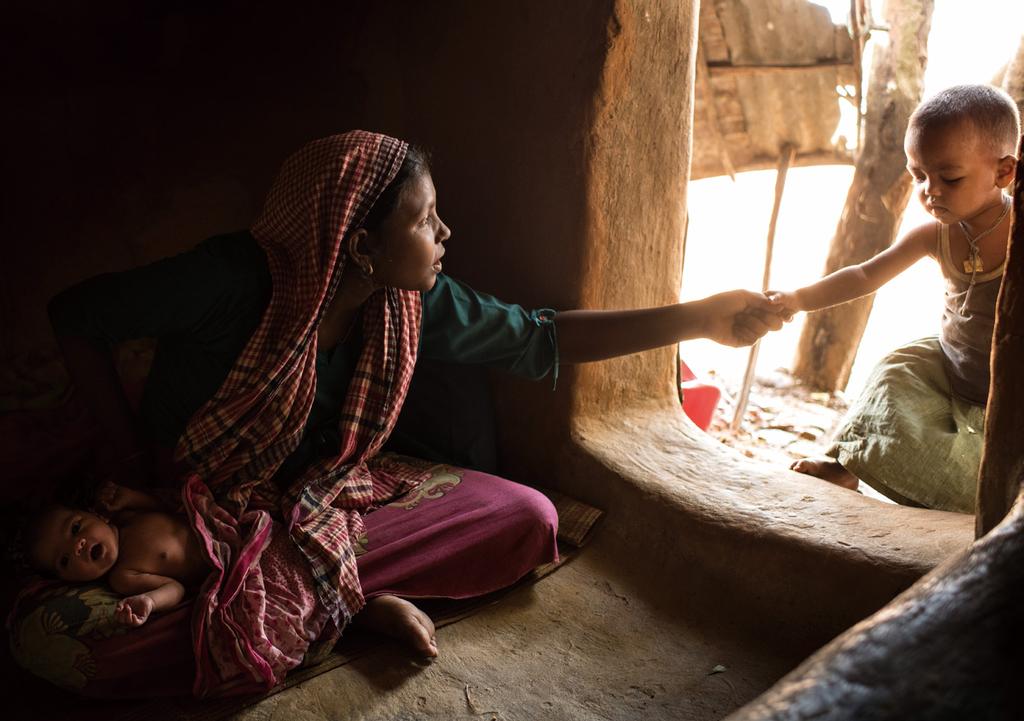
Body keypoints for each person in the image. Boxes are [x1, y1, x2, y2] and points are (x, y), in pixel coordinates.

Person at [47, 130, 785, 695]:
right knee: (79, 641)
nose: (445, 235)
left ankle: (320, 594)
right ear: (362, 244)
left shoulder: (407, 302)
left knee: (529, 518)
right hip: (193, 512)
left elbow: (539, 336)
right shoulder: (231, 280)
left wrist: (700, 317)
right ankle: (338, 599)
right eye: (427, 219)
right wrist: (128, 455)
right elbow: (76, 313)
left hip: (314, 501)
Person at [769, 84, 1020, 513]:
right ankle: (847, 464)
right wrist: (796, 298)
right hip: (949, 367)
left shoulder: (1016, 228)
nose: (930, 191)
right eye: (919, 175)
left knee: (991, 468)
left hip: (1011, 389)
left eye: (949, 177)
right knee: (893, 370)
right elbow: (865, 274)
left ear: (1003, 172)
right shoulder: (934, 234)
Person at [26, 482, 208, 627]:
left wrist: (132, 497)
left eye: (75, 528)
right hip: (215, 561)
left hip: (212, 520)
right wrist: (150, 601)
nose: (76, 547)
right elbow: (175, 589)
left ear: (96, 515)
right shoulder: (122, 576)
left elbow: (165, 506)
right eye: (64, 560)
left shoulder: (125, 516)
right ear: (72, 580)